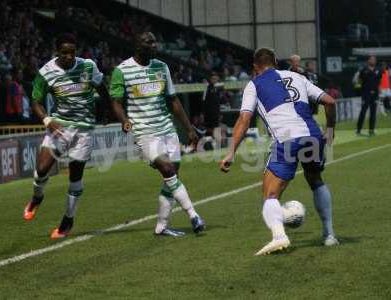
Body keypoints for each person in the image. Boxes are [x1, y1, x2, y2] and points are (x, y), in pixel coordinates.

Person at [220, 48, 338, 256]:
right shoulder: (296, 76)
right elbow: (329, 101)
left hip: (286, 140)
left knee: (270, 195)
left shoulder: (254, 84)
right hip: (312, 136)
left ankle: (279, 236)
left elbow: (244, 120)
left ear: (255, 67)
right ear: (275, 61)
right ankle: (329, 235)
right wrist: (330, 130)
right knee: (315, 179)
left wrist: (231, 152)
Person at [109, 32, 205, 237]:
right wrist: (125, 120)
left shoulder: (162, 67)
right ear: (137, 44)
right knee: (168, 169)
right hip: (144, 131)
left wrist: (188, 128)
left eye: (155, 41)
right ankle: (193, 215)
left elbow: (173, 100)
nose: (154, 45)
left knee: (172, 177)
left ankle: (161, 226)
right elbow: (115, 102)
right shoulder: (122, 71)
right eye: (148, 42)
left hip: (167, 129)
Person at [23, 33, 112, 239]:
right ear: (57, 52)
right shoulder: (46, 72)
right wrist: (47, 120)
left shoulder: (88, 67)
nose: (69, 56)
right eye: (65, 53)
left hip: (84, 129)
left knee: (75, 176)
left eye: (72, 52)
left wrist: (107, 110)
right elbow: (35, 101)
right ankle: (37, 198)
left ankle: (67, 220)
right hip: (59, 126)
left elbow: (102, 88)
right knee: (41, 169)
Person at [356, 55, 381, 136]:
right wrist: (361, 92)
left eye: (374, 59)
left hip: (375, 94)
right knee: (363, 112)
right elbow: (359, 81)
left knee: (373, 112)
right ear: (368, 61)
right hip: (366, 94)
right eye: (371, 59)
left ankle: (371, 130)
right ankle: (359, 130)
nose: (373, 61)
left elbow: (379, 81)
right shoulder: (363, 70)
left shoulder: (378, 70)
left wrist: (378, 91)